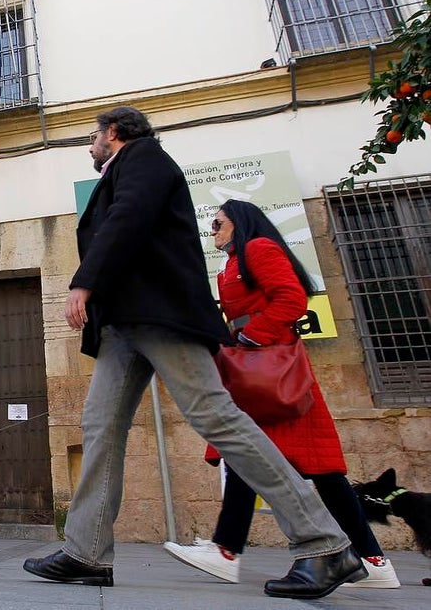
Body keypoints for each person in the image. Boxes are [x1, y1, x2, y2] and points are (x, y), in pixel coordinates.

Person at [21, 107, 366, 599]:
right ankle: (86, 552)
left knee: (216, 416)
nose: (89, 144)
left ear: (114, 132)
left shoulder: (145, 157)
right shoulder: (126, 168)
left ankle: (324, 543)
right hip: (125, 323)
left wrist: (84, 282)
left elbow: (128, 218)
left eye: (93, 135)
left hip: (161, 314)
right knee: (100, 428)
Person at [163, 200, 399, 588]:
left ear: (238, 222)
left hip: (273, 371)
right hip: (261, 370)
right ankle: (372, 561)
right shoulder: (233, 261)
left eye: (218, 223)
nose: (212, 230)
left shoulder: (257, 249)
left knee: (299, 464)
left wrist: (251, 338)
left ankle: (229, 551)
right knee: (267, 459)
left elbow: (291, 298)